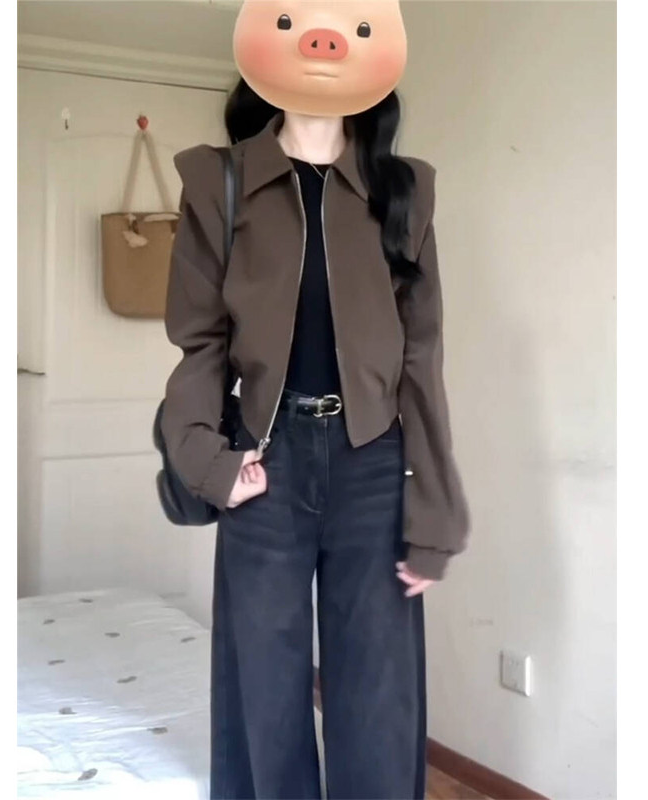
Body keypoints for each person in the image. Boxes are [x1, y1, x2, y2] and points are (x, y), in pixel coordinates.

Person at [161, 6, 469, 796]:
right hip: (265, 460)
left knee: (379, 692)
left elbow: (421, 359)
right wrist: (208, 462)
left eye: (352, 27)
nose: (323, 42)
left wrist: (435, 514)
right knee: (262, 684)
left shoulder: (404, 191)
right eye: (296, 18)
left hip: (374, 463)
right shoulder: (220, 183)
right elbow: (199, 345)